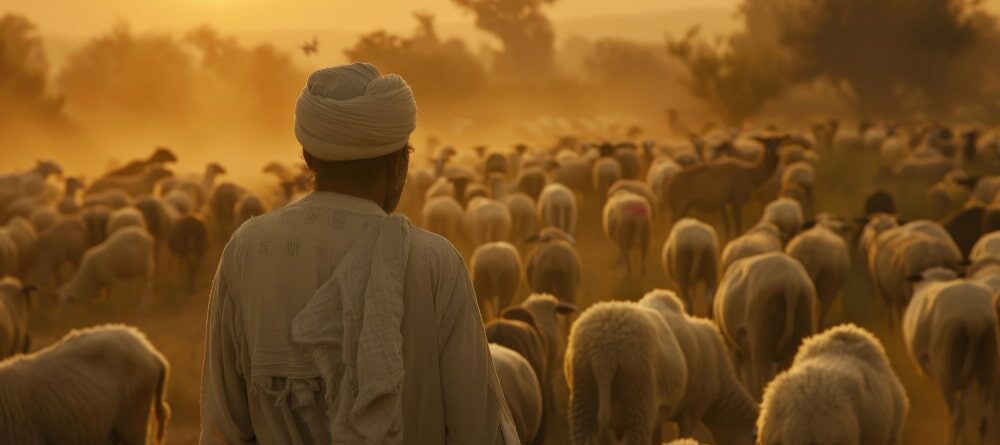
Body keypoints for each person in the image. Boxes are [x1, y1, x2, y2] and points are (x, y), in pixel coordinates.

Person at [200, 63, 517, 444]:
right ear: (400, 161)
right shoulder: (434, 263)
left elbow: (222, 428)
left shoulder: (245, 251)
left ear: (308, 156)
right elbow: (476, 427)